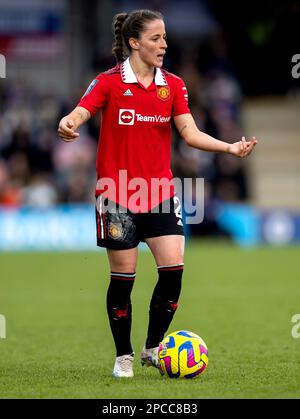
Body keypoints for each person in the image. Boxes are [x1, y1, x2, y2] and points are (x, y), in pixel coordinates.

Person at [57, 9, 257, 378]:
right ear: (134, 43)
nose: (164, 44)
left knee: (174, 272)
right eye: (155, 38)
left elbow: (190, 133)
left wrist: (229, 148)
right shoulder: (109, 82)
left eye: (164, 38)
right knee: (124, 279)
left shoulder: (174, 85)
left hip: (159, 192)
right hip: (116, 193)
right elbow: (80, 112)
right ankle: (124, 357)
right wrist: (69, 123)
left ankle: (152, 347)